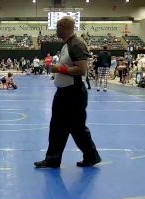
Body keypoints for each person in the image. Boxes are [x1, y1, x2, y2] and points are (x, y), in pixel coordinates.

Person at [34, 16, 101, 168]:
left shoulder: (77, 44)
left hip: (74, 94)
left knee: (77, 128)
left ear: (64, 27)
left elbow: (82, 70)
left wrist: (59, 69)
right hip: (64, 92)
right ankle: (52, 160)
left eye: (57, 27)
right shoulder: (67, 45)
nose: (55, 30)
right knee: (57, 126)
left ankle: (91, 156)